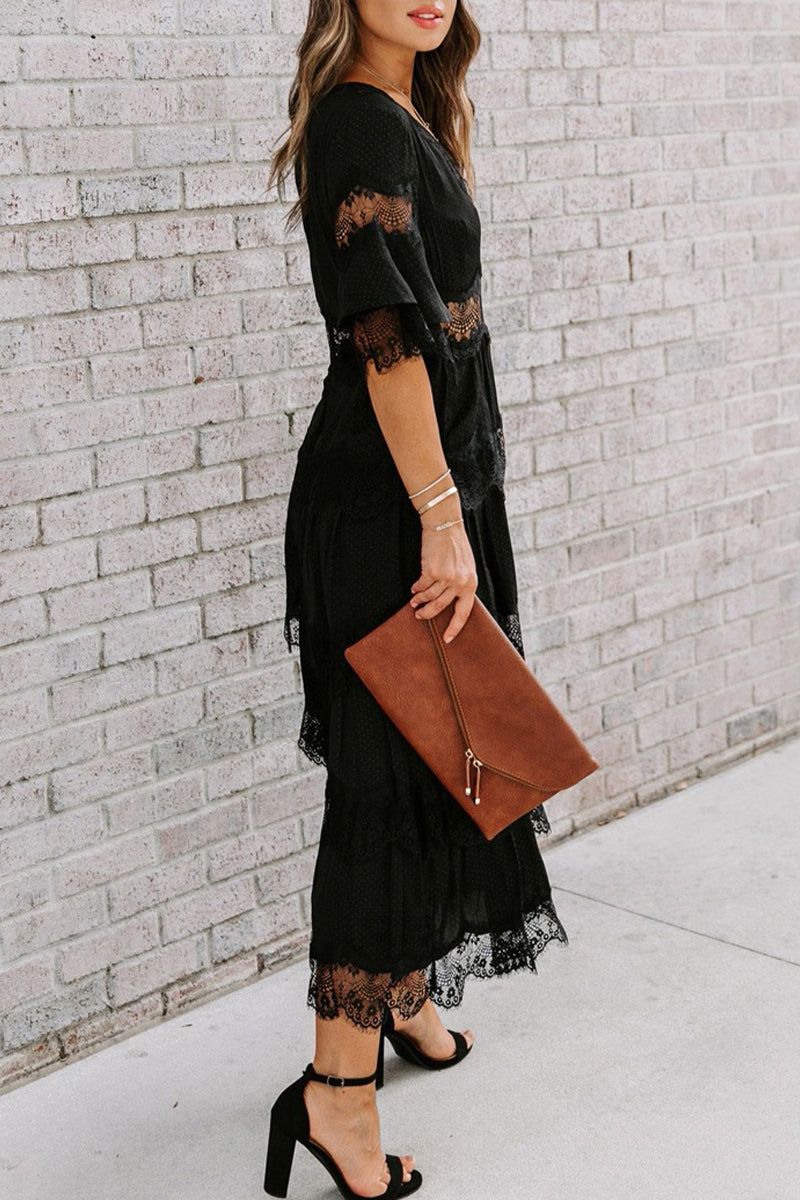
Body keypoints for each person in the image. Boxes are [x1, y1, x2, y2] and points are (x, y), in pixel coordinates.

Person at [264, 2, 568, 1196]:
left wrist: (455, 501)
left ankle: (399, 1000)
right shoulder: (357, 120)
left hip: (433, 488)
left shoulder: (406, 109)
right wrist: (440, 516)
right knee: (383, 789)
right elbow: (383, 340)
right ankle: (334, 1096)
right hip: (391, 509)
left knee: (447, 760)